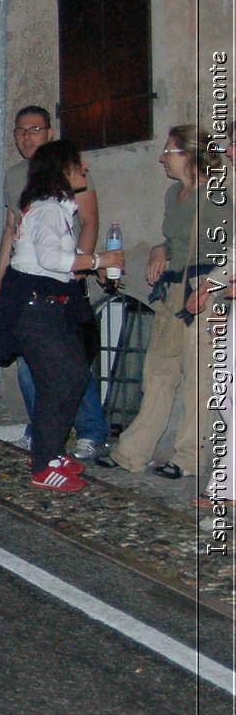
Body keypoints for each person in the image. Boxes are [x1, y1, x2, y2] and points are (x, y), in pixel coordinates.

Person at [0, 140, 125, 492]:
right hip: (33, 309)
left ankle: (50, 451)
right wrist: (97, 262)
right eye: (79, 163)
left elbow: (55, 263)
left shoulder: (58, 209)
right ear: (63, 170)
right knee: (59, 380)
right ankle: (44, 463)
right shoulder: (48, 209)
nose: (86, 169)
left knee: (73, 376)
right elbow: (51, 260)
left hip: (48, 305)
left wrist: (93, 267)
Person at [100, 126, 227, 480]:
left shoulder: (215, 197)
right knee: (157, 373)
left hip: (205, 292)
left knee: (198, 379)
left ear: (187, 155)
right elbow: (175, 240)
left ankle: (189, 458)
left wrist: (211, 290)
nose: (162, 158)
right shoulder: (174, 195)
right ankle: (132, 453)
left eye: (168, 150)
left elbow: (229, 252)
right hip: (175, 292)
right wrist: (159, 249)